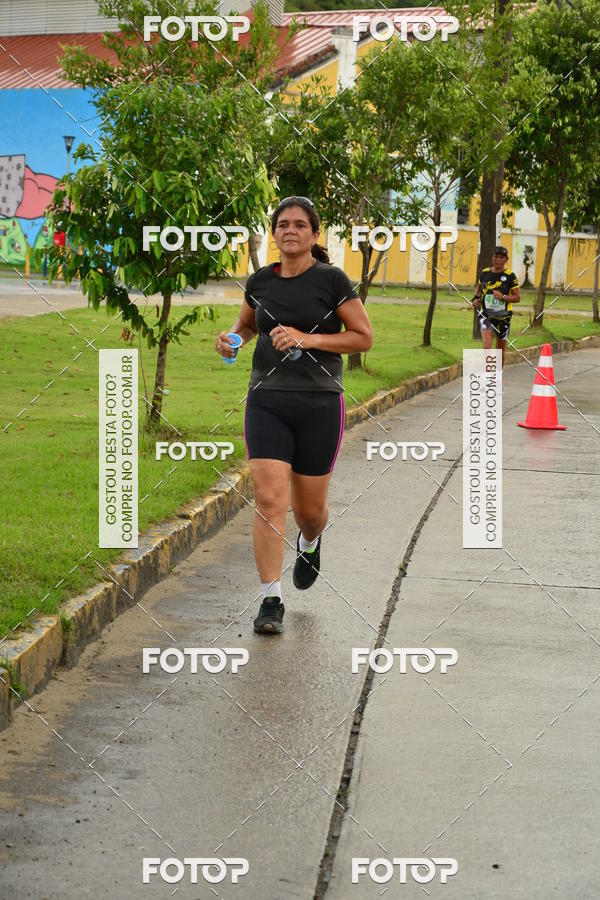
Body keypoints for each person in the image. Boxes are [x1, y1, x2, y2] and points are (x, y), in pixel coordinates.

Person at [214, 197, 373, 634]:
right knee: (268, 500)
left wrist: (310, 338)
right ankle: (271, 599)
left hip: (320, 404)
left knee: (310, 510)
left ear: (314, 234)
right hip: (267, 400)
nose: (290, 231)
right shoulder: (261, 281)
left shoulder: (332, 280)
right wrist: (232, 341)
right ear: (274, 232)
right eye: (282, 224)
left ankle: (310, 540)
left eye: (300, 225)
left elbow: (362, 338)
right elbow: (247, 326)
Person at [473, 245, 521, 368]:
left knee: (500, 349)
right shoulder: (485, 273)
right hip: (486, 315)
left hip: (503, 317)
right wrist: (476, 299)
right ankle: (487, 376)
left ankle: (498, 375)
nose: (498, 260)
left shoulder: (510, 276)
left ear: (506, 259)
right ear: (492, 258)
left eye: (501, 257)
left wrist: (503, 297)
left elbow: (517, 297)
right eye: (496, 257)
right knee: (486, 345)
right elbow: (478, 289)